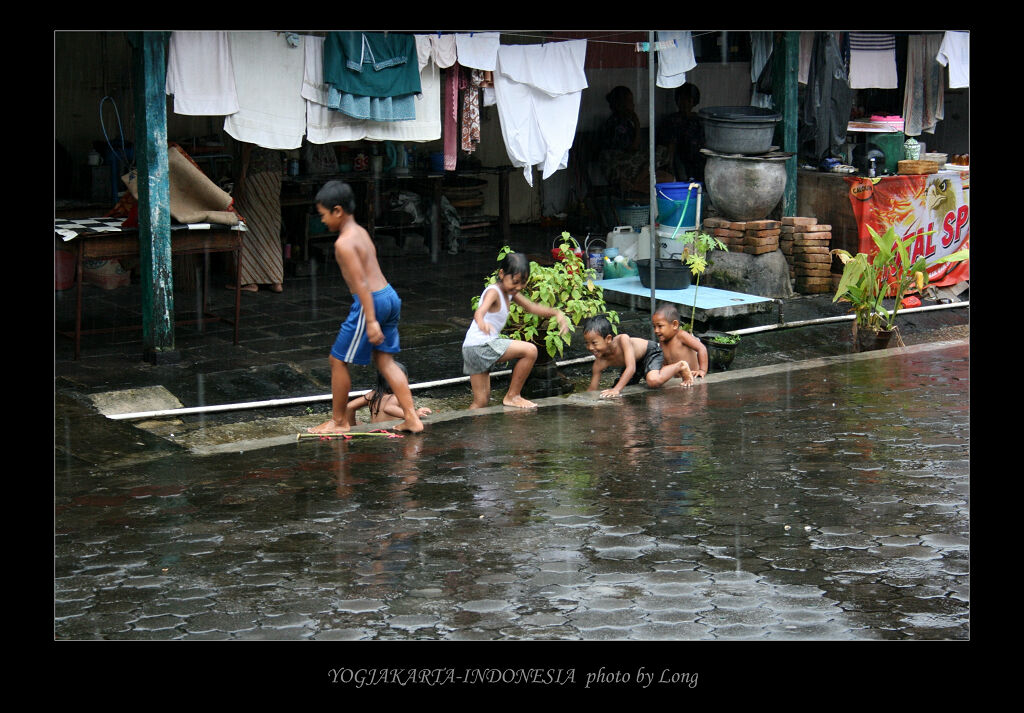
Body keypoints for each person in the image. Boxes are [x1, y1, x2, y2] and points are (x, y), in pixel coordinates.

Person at [307, 180, 424, 434]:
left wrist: (370, 319)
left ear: (337, 211)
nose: (323, 221)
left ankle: (338, 422)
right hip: (390, 296)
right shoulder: (360, 231)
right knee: (386, 362)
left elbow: (360, 282)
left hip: (371, 301)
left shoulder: (344, 243)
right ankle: (412, 418)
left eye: (323, 215)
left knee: (337, 360)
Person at [463, 252, 569, 410]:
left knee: (481, 403)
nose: (518, 287)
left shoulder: (510, 292)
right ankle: (513, 396)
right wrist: (481, 322)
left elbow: (532, 307)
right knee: (530, 350)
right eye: (515, 282)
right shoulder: (494, 292)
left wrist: (556, 313)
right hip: (481, 345)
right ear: (501, 274)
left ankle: (472, 433)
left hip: (471, 348)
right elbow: (480, 311)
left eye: (523, 282)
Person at [582, 314, 692, 398]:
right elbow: (593, 388)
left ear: (608, 339)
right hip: (635, 362)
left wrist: (616, 390)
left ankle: (680, 366)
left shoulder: (623, 340)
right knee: (620, 391)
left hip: (650, 352)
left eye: (594, 343)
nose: (590, 348)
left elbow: (631, 368)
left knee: (652, 381)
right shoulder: (599, 363)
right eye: (587, 343)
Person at [598, 85, 674, 196]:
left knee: (662, 166)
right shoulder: (618, 124)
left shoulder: (625, 122)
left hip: (626, 163)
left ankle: (634, 184)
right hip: (617, 166)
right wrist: (637, 122)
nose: (633, 105)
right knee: (659, 152)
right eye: (629, 101)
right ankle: (634, 184)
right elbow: (633, 148)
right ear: (620, 104)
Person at [230, 142, 284, 293]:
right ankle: (275, 279)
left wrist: (240, 177)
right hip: (274, 174)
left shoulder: (251, 123)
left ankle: (249, 280)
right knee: (270, 226)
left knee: (245, 223)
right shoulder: (276, 125)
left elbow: (247, 150)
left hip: (255, 175)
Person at [340, 362, 432, 427]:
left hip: (374, 430)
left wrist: (354, 427)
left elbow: (349, 407)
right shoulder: (397, 396)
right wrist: (413, 414)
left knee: (360, 423)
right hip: (388, 432)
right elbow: (389, 408)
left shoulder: (372, 395)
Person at [658, 83, 705, 184]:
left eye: (688, 100)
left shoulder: (699, 120)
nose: (684, 103)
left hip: (699, 157)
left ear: (694, 101)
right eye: (681, 99)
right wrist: (670, 164)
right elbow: (671, 143)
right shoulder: (672, 120)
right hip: (682, 157)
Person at [651, 303, 707, 385]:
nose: (656, 330)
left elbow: (701, 348)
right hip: (678, 381)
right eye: (654, 327)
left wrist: (702, 370)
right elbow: (665, 363)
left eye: (660, 326)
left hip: (693, 378)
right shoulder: (662, 342)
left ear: (674, 325)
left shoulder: (681, 335)